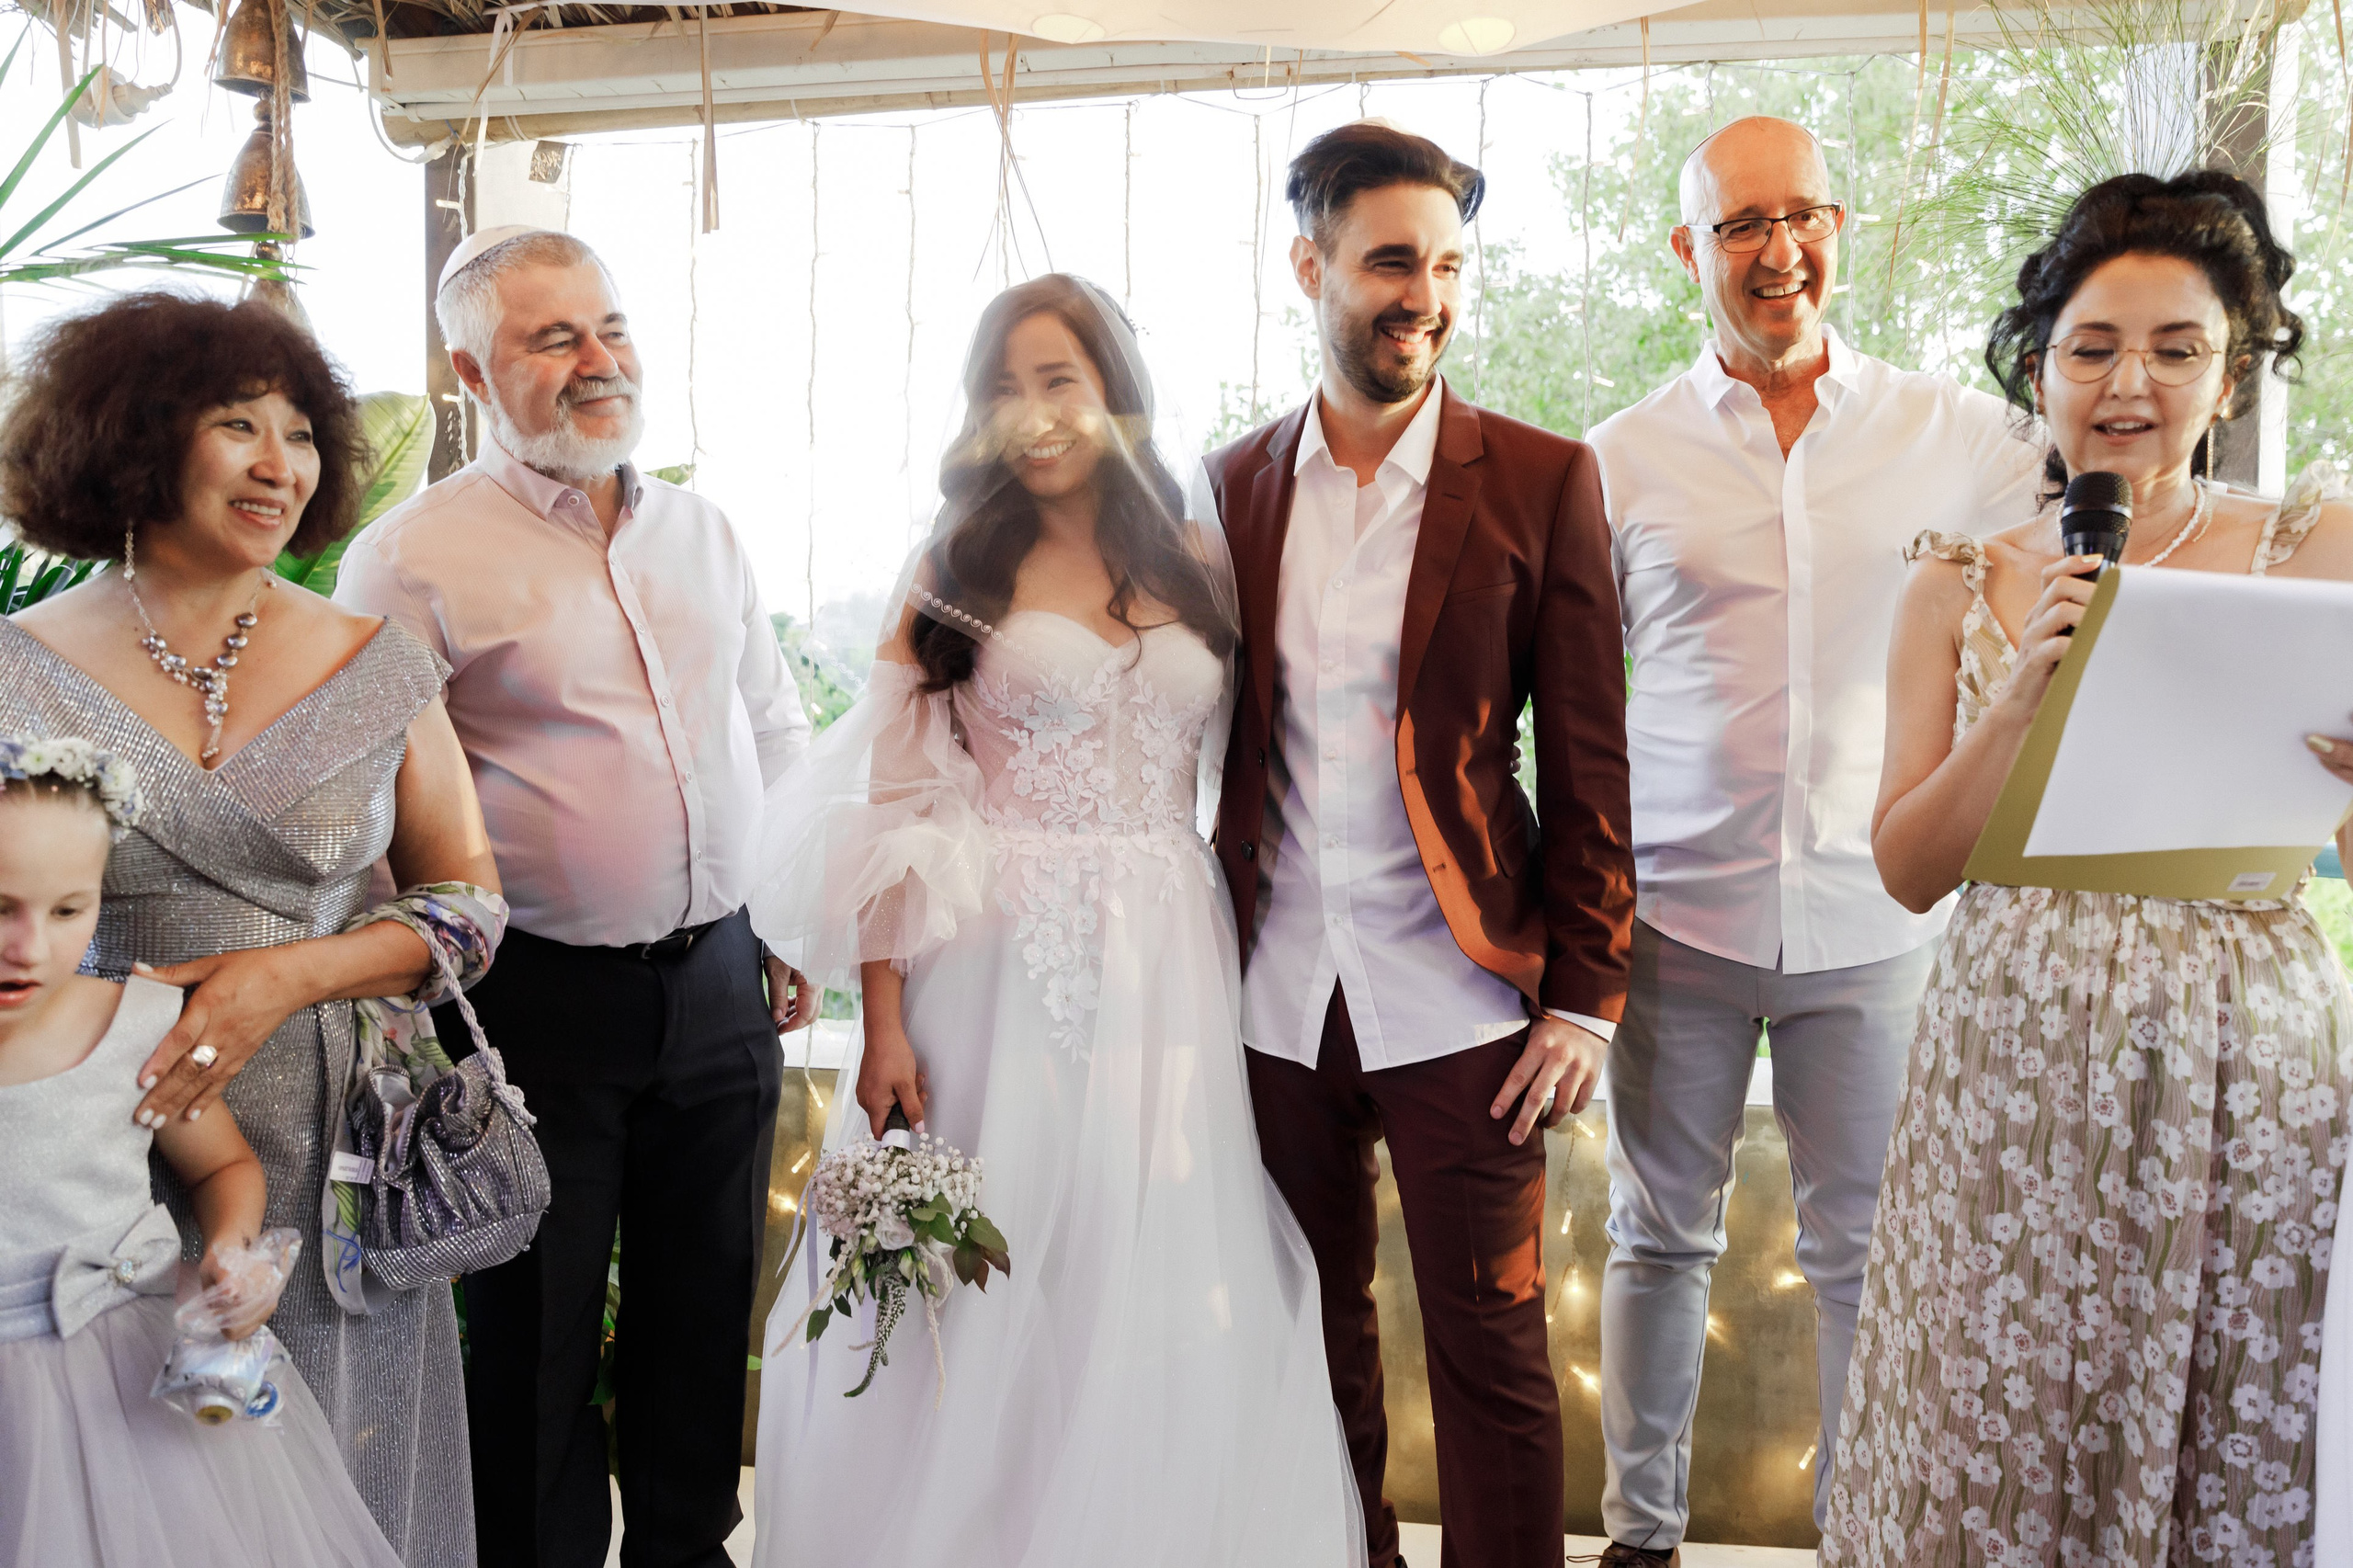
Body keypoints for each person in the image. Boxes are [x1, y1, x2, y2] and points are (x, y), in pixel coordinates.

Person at [746, 272, 1363, 1567]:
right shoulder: (956, 568)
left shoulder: (1199, 560)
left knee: (1148, 1268)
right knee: (998, 1263)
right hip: (995, 958)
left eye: (1058, 379)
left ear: (1115, 393)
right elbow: (896, 798)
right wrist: (887, 1018)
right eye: (1002, 387)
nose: (1031, 412)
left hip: (1175, 953)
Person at [1821, 170, 2353, 1565]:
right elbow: (1908, 868)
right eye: (2095, 347)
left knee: (2227, 1403)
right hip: (2014, 1059)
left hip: (2250, 1058)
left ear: (2230, 378)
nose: (2134, 382)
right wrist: (2021, 697)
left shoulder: (2319, 547)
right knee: (1999, 1410)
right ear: (2040, 369)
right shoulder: (1954, 575)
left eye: (2180, 349)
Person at [1582, 117, 2043, 1565]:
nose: (1779, 251)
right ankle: (1640, 1537)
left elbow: (2114, 535)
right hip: (1680, 918)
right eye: (1740, 225)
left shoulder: (1959, 436)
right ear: (1688, 250)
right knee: (1660, 1241)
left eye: (1804, 216)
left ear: (1839, 227)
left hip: (1879, 918)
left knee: (1865, 1259)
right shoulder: (1612, 460)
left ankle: (1866, 1536)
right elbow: (1576, 698)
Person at [335, 226, 818, 1568]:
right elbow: (373, 811)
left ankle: (686, 1551)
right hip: (529, 1002)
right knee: (534, 1335)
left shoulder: (705, 532)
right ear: (469, 371)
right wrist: (415, 1007)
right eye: (554, 338)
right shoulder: (409, 558)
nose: (598, 360)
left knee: (702, 1303)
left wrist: (786, 912)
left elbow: (774, 728)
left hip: (723, 980)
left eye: (608, 327)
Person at [1188, 120, 1636, 1568]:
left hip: (1464, 996)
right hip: (1269, 999)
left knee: (1495, 1361)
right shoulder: (1227, 488)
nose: (1424, 296)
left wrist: (1584, 996)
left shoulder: (1543, 477)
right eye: (1390, 261)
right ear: (1307, 265)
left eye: (1449, 265)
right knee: (1308, 1353)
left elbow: (1587, 757)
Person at [0, 291, 506, 1568]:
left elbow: (470, 906)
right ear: (136, 436)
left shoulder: (380, 662)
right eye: (240, 425)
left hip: (336, 1169)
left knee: (347, 1485)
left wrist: (286, 975)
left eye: (301, 431)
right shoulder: (15, 667)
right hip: (95, 1159)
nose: (284, 463)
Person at [0, 737, 404, 1568]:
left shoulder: (137, 1026)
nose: (30, 946)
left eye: (68, 910)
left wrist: (228, 1248)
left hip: (123, 1384)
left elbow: (224, 1165)